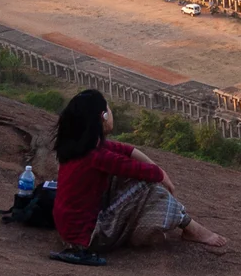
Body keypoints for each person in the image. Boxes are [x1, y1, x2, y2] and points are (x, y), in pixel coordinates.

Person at [50, 90, 227, 265]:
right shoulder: (97, 156)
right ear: (103, 116)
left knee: (127, 177)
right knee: (145, 185)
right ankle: (191, 227)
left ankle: (183, 224)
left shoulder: (82, 147)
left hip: (70, 233)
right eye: (108, 109)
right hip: (90, 238)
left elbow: (127, 150)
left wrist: (159, 170)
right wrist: (160, 174)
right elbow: (142, 171)